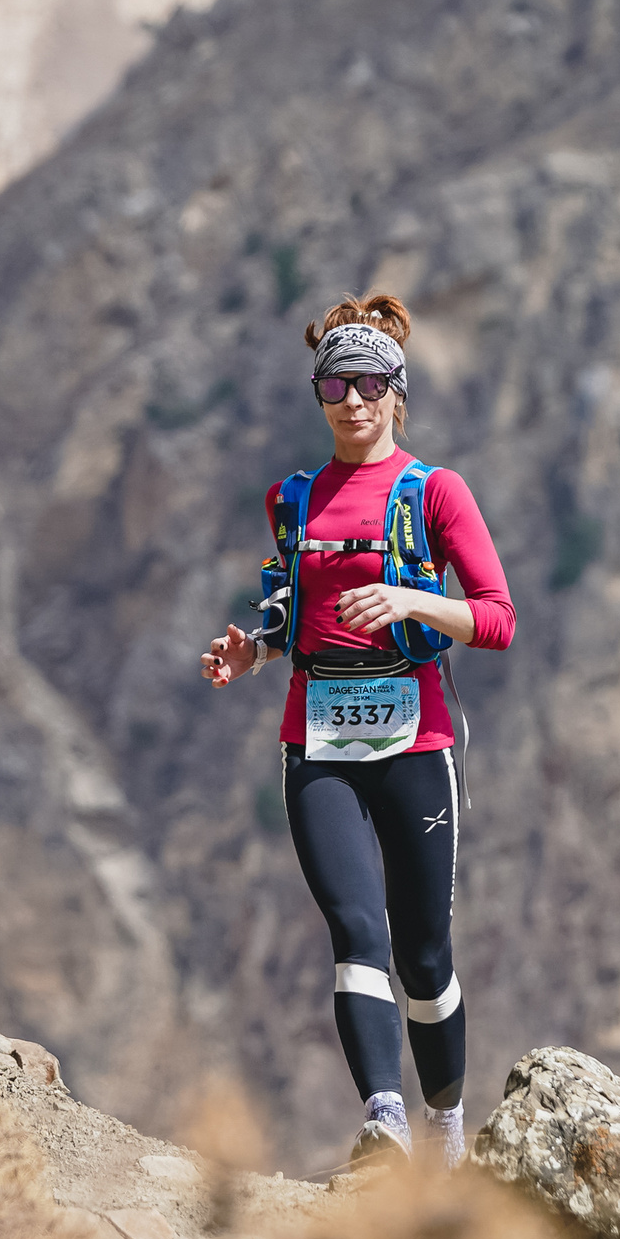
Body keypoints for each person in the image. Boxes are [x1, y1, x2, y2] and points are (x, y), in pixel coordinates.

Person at [200, 292, 516, 1170]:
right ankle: (385, 1123)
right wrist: (256, 649)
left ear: (396, 390)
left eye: (370, 382)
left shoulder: (436, 493)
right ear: (317, 392)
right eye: (334, 384)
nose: (352, 400)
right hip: (319, 745)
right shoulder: (292, 500)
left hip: (417, 742)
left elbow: (498, 618)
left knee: (424, 954)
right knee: (355, 929)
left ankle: (445, 1128)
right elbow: (293, 610)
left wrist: (412, 599)